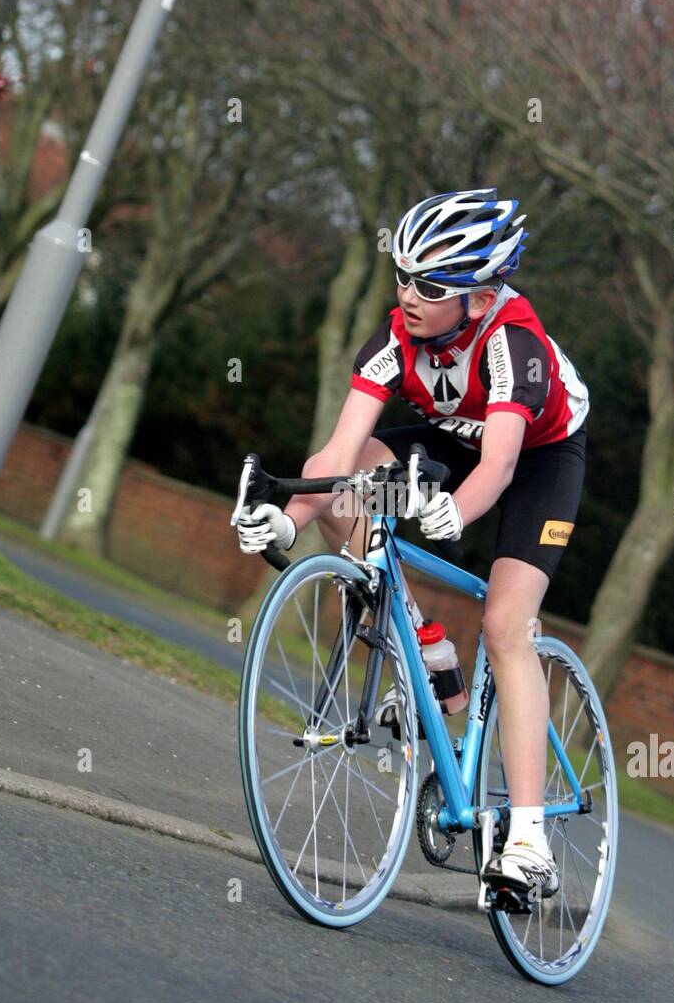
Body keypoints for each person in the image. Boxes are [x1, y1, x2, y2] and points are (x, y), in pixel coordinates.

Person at [237, 188, 589, 902]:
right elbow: (339, 454)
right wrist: (288, 523)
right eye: (401, 276)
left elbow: (498, 466)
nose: (409, 295)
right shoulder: (397, 336)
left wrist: (455, 515)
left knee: (506, 625)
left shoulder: (512, 345)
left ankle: (528, 840)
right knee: (340, 480)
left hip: (535, 461)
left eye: (431, 285)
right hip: (450, 443)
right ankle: (425, 644)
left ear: (482, 296)